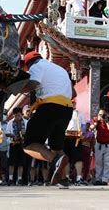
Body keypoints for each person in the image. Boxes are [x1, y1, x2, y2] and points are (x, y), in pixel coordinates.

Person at [21, 51, 75, 188]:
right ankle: (63, 179)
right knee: (57, 145)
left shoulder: (36, 66)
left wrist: (15, 88)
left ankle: (55, 160)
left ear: (28, 64)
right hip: (67, 108)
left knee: (29, 144)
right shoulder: (60, 69)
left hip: (50, 106)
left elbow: (33, 84)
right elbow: (73, 93)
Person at [90, 108, 109, 185]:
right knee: (98, 162)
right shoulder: (96, 120)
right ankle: (98, 178)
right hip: (99, 144)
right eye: (100, 114)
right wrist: (96, 122)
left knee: (108, 163)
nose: (101, 116)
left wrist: (107, 121)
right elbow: (91, 128)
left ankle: (105, 179)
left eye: (103, 115)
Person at [6, 107, 27, 185]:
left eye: (18, 115)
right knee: (12, 162)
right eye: (15, 116)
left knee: (21, 163)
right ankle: (11, 179)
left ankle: (19, 179)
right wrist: (12, 135)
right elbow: (7, 133)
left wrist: (24, 133)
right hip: (13, 144)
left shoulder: (26, 122)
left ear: (21, 114)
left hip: (22, 144)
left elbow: (29, 132)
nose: (17, 117)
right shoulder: (10, 122)